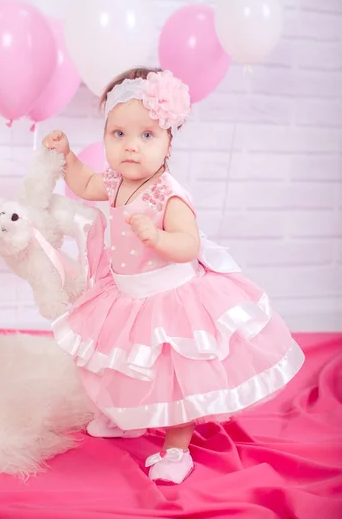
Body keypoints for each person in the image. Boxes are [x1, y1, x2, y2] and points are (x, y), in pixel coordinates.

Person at [43, 67, 305, 485]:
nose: (131, 147)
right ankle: (122, 416)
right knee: (123, 364)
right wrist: (67, 157)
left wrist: (158, 237)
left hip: (170, 298)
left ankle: (176, 449)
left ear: (168, 141)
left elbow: (190, 245)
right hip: (127, 297)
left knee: (176, 380)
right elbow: (83, 182)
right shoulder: (112, 181)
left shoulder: (169, 194)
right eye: (119, 134)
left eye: (147, 135)